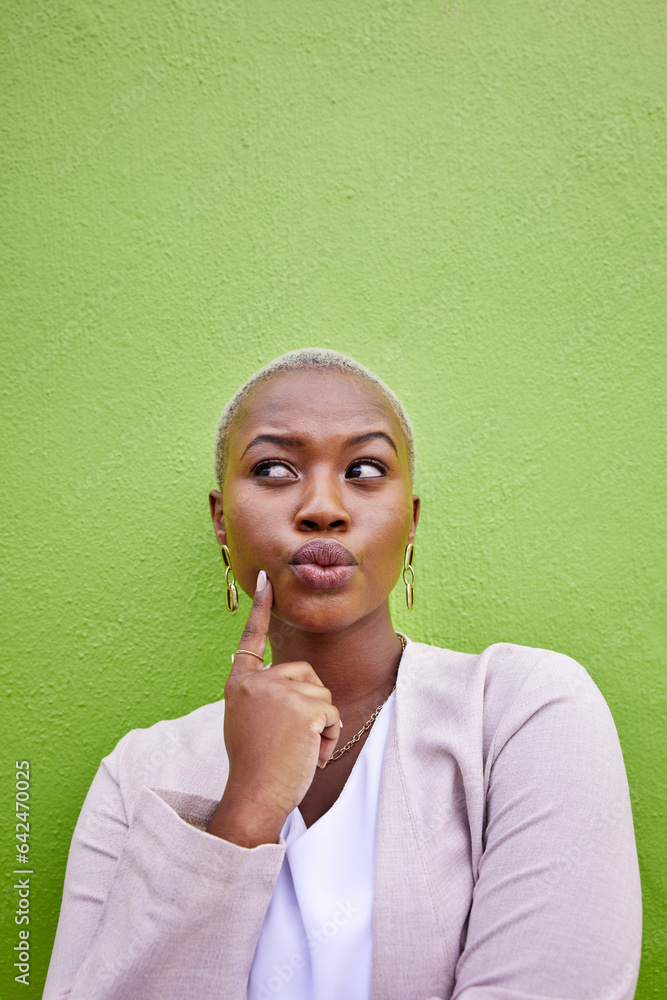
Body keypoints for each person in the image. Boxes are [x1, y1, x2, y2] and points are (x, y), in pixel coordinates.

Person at [44, 347, 642, 1000]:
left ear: (410, 520)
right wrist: (243, 815)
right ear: (220, 519)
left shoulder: (522, 713)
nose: (322, 507)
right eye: (273, 468)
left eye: (364, 469)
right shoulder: (139, 773)